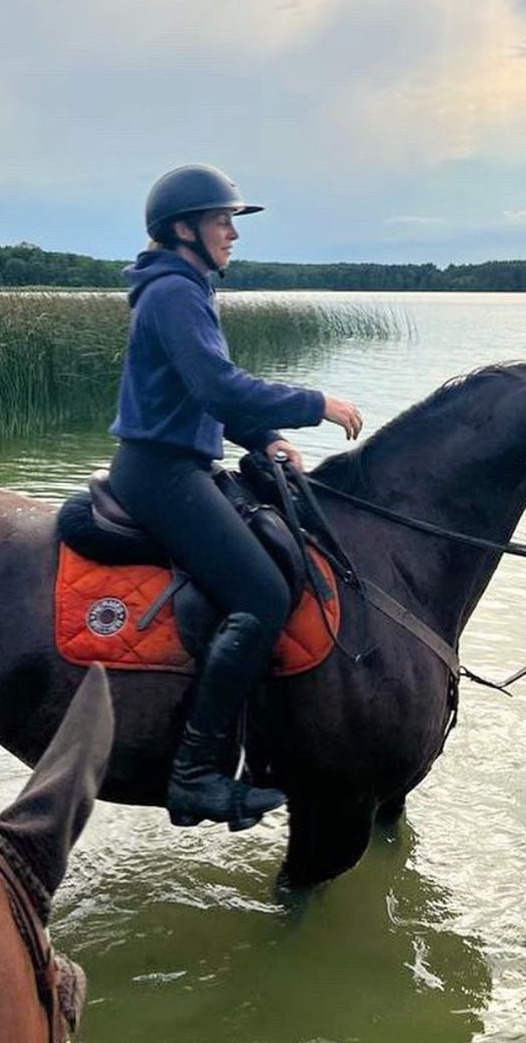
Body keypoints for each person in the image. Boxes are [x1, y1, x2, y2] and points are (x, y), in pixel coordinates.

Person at [109, 164, 363, 831]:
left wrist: (266, 436)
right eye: (222, 220)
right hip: (161, 473)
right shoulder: (173, 293)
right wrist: (316, 403)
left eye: (231, 221)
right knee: (261, 595)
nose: (232, 234)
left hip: (174, 462)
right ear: (184, 227)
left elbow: (205, 399)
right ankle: (193, 776)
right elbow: (218, 386)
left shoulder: (180, 287)